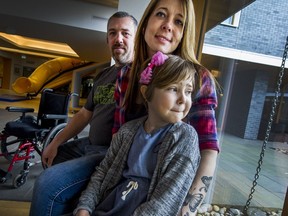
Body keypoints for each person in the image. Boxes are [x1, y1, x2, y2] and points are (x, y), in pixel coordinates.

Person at [112, 0, 219, 215]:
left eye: (179, 21)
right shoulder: (125, 75)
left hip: (168, 193)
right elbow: (116, 140)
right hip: (123, 182)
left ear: (184, 32)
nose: (168, 25)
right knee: (50, 184)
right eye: (161, 14)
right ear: (144, 23)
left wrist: (187, 209)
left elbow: (208, 150)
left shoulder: (199, 78)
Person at [29, 11, 137, 216]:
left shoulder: (142, 75)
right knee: (53, 156)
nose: (118, 38)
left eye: (125, 33)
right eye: (113, 33)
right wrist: (55, 143)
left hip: (108, 153)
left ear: (136, 37)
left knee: (46, 183)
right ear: (107, 39)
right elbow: (84, 115)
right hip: (88, 144)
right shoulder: (104, 74)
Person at [74, 51, 200, 216]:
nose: (183, 99)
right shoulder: (127, 131)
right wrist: (84, 207)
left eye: (188, 91)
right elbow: (103, 172)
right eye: (173, 89)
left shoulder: (185, 136)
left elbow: (168, 199)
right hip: (110, 205)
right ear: (146, 92)